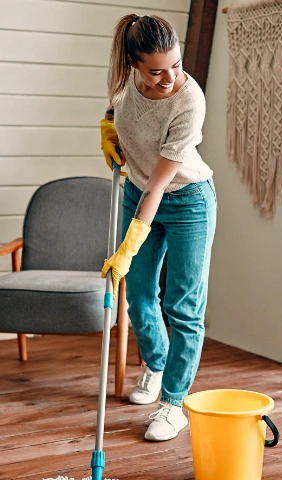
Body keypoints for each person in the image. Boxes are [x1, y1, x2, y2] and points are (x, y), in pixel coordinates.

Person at [100, 14, 216, 442]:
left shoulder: (189, 102)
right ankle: (156, 364)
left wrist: (128, 245)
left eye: (177, 65)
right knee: (140, 296)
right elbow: (116, 111)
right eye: (156, 70)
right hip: (136, 191)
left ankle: (173, 403)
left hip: (187, 200)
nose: (169, 77)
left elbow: (159, 186)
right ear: (134, 64)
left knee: (183, 306)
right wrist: (107, 129)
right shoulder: (122, 81)